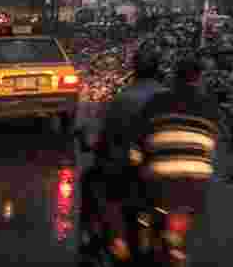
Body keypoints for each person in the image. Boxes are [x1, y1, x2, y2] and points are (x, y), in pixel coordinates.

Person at [80, 45, 166, 260]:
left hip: (128, 169)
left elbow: (102, 135)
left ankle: (111, 240)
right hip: (166, 169)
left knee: (94, 182)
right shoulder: (169, 97)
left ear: (134, 69)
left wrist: (93, 143)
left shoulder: (122, 99)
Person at [135, 57, 221, 216]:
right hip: (198, 176)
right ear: (199, 79)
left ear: (174, 77)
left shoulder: (157, 101)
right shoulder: (211, 107)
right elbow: (213, 145)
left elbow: (140, 135)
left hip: (159, 173)